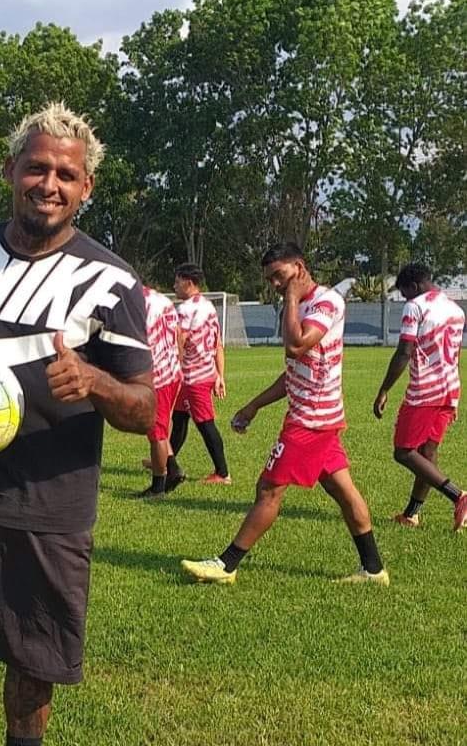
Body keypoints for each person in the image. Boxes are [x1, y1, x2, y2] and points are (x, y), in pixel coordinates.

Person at [0, 103, 154, 746]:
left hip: (52, 502)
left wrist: (95, 383)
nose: (50, 184)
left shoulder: (110, 281)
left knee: (33, 659)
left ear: (85, 188)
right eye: (37, 168)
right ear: (11, 170)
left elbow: (146, 408)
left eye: (66, 175)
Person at [181, 243, 389, 585]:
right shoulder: (301, 306)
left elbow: (297, 345)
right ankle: (374, 569)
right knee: (343, 490)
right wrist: (254, 406)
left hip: (312, 419)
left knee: (269, 489)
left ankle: (226, 565)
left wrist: (291, 298)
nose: (275, 285)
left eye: (279, 276)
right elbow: (294, 368)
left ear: (300, 267)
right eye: (270, 279)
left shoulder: (325, 302)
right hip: (315, 413)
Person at [373, 263, 466, 531]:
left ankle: (458, 496)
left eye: (404, 293)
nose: (404, 299)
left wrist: (384, 390)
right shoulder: (455, 310)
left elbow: (404, 351)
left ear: (413, 287)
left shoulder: (416, 306)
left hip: (425, 391)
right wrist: (455, 399)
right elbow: (455, 353)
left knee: (403, 452)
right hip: (450, 388)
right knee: (427, 452)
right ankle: (412, 515)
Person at [170, 263, 231, 484]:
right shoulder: (208, 307)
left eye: (177, 281)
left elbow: (180, 340)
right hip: (205, 373)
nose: (174, 285)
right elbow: (218, 344)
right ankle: (168, 460)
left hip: (193, 377)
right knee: (179, 419)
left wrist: (169, 367)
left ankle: (222, 473)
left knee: (205, 424)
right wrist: (220, 375)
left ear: (188, 282)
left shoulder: (185, 309)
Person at [137, 285, 185, 498]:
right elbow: (178, 336)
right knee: (163, 425)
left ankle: (158, 486)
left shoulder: (137, 304)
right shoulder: (162, 300)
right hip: (173, 371)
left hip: (157, 376)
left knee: (156, 431)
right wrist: (179, 363)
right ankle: (173, 469)